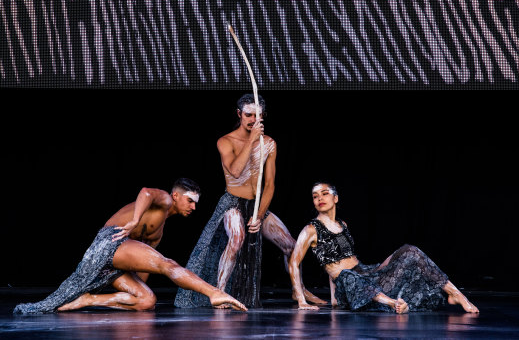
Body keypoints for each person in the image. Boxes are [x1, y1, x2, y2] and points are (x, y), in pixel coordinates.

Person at [175, 94, 325, 308]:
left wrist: (260, 214)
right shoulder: (225, 141)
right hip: (233, 204)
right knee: (237, 238)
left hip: (256, 206)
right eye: (248, 115)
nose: (253, 120)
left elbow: (270, 185)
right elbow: (235, 171)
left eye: (258, 115)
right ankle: (220, 293)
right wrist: (253, 140)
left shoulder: (270, 144)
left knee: (292, 247)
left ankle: (298, 290)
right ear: (239, 114)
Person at [14, 178, 247, 314]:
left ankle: (88, 299)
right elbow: (145, 192)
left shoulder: (159, 232)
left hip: (118, 262)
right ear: (176, 196)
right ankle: (214, 293)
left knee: (147, 300)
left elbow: (142, 268)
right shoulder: (165, 199)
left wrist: (134, 287)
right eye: (190, 201)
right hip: (109, 243)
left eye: (196, 204)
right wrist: (134, 220)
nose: (193, 207)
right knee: (168, 264)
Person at [289, 182, 479, 313]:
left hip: (364, 275)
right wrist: (301, 299)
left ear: (336, 198)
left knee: (410, 251)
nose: (320, 198)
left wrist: (333, 299)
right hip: (350, 285)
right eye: (315, 196)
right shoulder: (311, 229)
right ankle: (394, 303)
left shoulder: (343, 224)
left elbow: (340, 261)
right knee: (346, 275)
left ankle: (455, 294)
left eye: (324, 193)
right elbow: (294, 263)